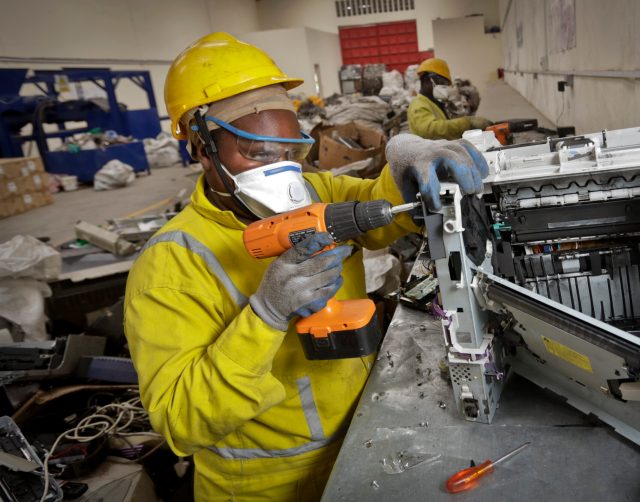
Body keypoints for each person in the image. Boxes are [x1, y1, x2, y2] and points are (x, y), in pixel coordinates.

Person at [123, 32, 489, 501]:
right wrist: (265, 317)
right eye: (258, 154)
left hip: (362, 444)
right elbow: (181, 423)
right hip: (265, 487)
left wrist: (407, 162)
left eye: (290, 152)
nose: (281, 170)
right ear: (200, 147)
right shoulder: (172, 264)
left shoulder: (318, 193)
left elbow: (378, 211)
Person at [407, 57, 493, 140]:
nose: (444, 87)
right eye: (441, 82)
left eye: (446, 84)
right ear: (427, 80)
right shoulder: (418, 104)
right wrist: (467, 123)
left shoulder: (434, 102)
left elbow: (447, 125)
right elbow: (429, 130)